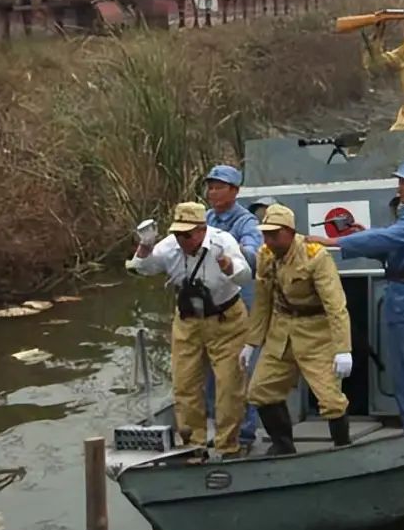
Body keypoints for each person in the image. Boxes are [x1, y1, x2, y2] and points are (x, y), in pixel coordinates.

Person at [310, 159, 404, 432]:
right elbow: (387, 245)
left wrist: (335, 242)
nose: (400, 187)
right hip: (403, 297)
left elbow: (388, 239)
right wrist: (363, 236)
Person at [126, 202, 252, 455]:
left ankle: (228, 446)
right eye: (177, 233)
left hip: (226, 319)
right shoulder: (170, 246)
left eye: (187, 234)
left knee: (228, 387)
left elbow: (245, 276)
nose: (182, 239)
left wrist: (225, 263)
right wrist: (145, 246)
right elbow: (141, 269)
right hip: (188, 322)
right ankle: (193, 446)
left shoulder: (222, 240)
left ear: (202, 229)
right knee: (185, 385)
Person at [240, 204, 354, 455]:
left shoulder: (315, 255)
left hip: (316, 333)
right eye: (265, 234)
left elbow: (335, 305)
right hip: (281, 331)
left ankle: (343, 449)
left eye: (274, 234)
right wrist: (252, 342)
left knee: (331, 400)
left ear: (290, 232)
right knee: (260, 391)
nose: (269, 240)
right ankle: (283, 446)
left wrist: (343, 348)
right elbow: (262, 301)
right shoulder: (265, 255)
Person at [203, 165, 263, 449]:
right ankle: (218, 428)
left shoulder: (245, 222)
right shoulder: (206, 218)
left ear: (235, 191)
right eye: (210, 186)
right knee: (213, 372)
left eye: (219, 187)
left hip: (240, 304)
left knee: (240, 370)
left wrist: (235, 255)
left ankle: (246, 433)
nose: (213, 192)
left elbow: (253, 252)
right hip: (210, 307)